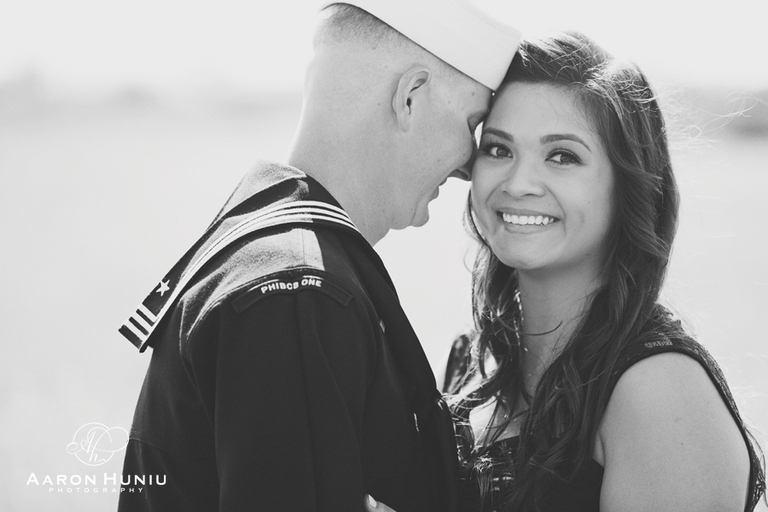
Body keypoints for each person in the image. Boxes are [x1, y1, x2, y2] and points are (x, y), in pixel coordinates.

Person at [116, 1, 519, 511]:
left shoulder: (271, 257)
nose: (468, 166)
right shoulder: (300, 293)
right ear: (410, 97)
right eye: (472, 122)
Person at [367, 32, 766, 512]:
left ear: (629, 186)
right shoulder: (472, 360)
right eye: (498, 149)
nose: (518, 183)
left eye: (562, 156)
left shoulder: (659, 392)